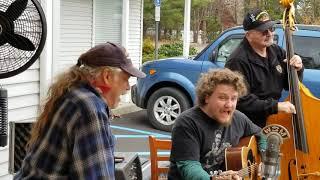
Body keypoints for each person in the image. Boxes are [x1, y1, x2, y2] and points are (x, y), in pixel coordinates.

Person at [14, 42, 146, 179]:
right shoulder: (89, 108)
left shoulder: (73, 94)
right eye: (125, 79)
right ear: (107, 76)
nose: (127, 87)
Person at [168, 69, 266, 180]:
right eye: (222, 98)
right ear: (207, 97)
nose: (229, 104)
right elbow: (190, 167)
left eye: (233, 98)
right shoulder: (187, 122)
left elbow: (261, 134)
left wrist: (264, 159)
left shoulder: (239, 118)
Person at [225, 9, 304, 128]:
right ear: (249, 35)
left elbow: (289, 85)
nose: (269, 33)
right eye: (263, 31)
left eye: (271, 28)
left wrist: (298, 69)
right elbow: (241, 101)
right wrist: (276, 106)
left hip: (273, 119)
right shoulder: (237, 61)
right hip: (248, 124)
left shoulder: (276, 51)